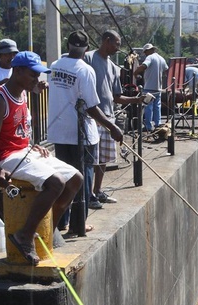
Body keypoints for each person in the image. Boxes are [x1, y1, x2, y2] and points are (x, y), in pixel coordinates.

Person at [0, 51, 83, 265]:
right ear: (17, 72)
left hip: (23, 151)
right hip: (5, 158)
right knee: (56, 183)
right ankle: (25, 235)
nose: (37, 80)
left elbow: (19, 131)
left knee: (75, 179)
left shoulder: (23, 93)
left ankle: (47, 230)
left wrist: (31, 145)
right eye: (33, 75)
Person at [47, 30, 123, 234]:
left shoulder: (55, 66)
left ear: (68, 46)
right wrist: (112, 126)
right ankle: (78, 225)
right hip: (82, 135)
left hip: (59, 133)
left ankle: (62, 221)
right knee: (83, 179)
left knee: (64, 176)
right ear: (87, 49)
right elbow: (91, 107)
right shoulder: (85, 70)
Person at [84, 30, 141, 208]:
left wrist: (137, 100)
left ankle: (98, 191)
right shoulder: (88, 58)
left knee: (103, 159)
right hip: (92, 116)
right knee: (91, 159)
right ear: (106, 41)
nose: (118, 48)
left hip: (108, 115)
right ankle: (88, 195)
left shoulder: (113, 66)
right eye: (116, 44)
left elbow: (117, 97)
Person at [133, 43, 168, 133]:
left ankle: (148, 126)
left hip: (149, 87)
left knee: (148, 107)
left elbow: (144, 66)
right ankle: (157, 124)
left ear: (148, 50)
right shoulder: (161, 58)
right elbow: (165, 69)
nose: (145, 54)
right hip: (158, 87)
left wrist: (135, 72)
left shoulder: (150, 57)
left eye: (145, 52)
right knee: (157, 106)